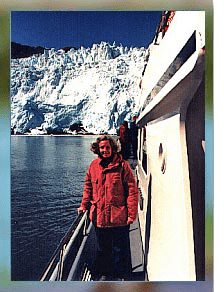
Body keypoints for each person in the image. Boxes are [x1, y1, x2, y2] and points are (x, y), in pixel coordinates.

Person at [78, 135, 139, 281]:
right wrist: (83, 205)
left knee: (119, 249)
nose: (105, 150)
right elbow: (88, 188)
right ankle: (106, 275)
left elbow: (132, 190)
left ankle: (120, 277)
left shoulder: (123, 166)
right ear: (97, 149)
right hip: (99, 216)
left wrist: (131, 213)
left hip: (118, 216)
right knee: (103, 249)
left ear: (113, 148)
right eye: (102, 147)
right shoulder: (93, 166)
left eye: (107, 147)